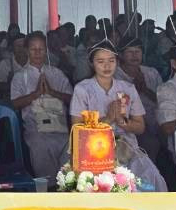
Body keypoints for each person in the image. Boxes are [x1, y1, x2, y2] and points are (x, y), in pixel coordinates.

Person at [70, 42, 166, 191]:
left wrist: (122, 122)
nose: (106, 66)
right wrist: (108, 119)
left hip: (127, 146)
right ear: (91, 64)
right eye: (100, 62)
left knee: (153, 179)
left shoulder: (127, 87)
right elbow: (77, 128)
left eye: (111, 61)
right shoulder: (83, 89)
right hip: (94, 149)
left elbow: (140, 126)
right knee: (103, 185)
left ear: (117, 62)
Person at [11, 32, 74, 179]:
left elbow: (72, 98)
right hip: (35, 129)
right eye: (33, 49)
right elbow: (14, 103)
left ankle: (66, 186)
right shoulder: (20, 76)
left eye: (41, 49)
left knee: (71, 146)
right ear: (27, 51)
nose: (38, 53)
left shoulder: (57, 73)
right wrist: (36, 94)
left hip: (60, 127)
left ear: (46, 50)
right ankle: (48, 187)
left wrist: (52, 92)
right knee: (40, 145)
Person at [117, 41, 163, 160]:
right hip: (128, 121)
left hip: (155, 120)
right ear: (121, 55)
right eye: (130, 52)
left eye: (138, 51)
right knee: (150, 144)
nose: (134, 55)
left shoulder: (151, 72)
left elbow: (163, 100)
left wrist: (145, 89)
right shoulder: (115, 74)